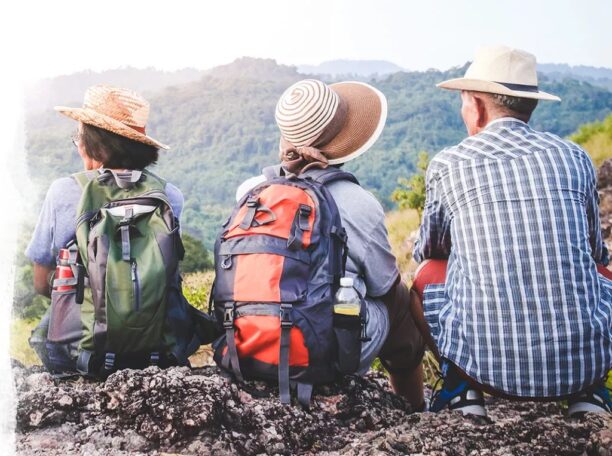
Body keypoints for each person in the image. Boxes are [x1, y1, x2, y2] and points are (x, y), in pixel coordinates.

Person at [410, 45, 612, 417]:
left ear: (477, 105)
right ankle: (591, 392)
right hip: (583, 366)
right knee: (601, 274)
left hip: (487, 370)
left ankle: (462, 388)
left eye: (463, 101)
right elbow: (595, 253)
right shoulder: (574, 157)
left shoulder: (449, 164)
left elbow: (430, 249)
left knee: (423, 276)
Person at [236, 79, 425, 410]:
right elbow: (383, 284)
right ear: (344, 141)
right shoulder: (356, 202)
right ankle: (414, 407)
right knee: (399, 299)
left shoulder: (250, 193)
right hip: (325, 355)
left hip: (250, 346)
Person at [27, 85, 185, 371]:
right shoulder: (170, 195)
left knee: (42, 335)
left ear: (92, 142)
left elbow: (40, 283)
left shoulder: (63, 192)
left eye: (79, 136)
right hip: (156, 351)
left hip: (80, 354)